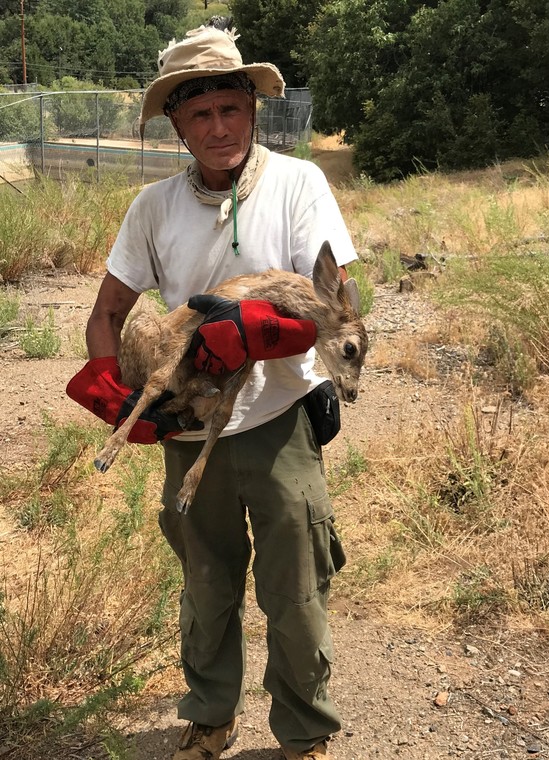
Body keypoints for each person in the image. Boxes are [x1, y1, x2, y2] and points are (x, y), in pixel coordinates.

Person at [67, 22, 358, 760]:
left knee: (294, 588)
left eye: (231, 108)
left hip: (278, 418)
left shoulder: (299, 184)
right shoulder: (153, 208)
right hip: (190, 428)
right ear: (177, 125)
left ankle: (303, 732)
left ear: (253, 111)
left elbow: (337, 303)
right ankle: (210, 717)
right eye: (201, 114)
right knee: (206, 584)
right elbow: (107, 311)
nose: (219, 126)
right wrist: (110, 387)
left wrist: (264, 331)